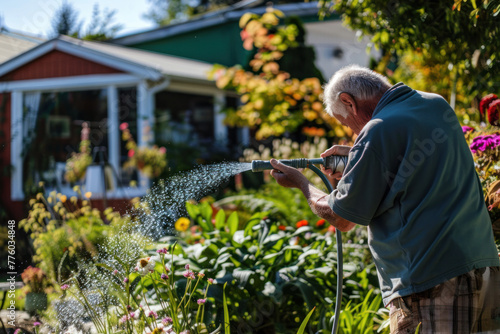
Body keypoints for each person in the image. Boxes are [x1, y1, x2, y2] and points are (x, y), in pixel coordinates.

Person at [269, 65, 500, 333]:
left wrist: (301, 183)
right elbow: (413, 163)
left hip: (431, 280)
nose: (353, 133)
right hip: (483, 268)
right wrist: (362, 155)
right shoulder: (435, 105)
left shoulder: (378, 129)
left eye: (346, 123)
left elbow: (342, 217)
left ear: (348, 102)